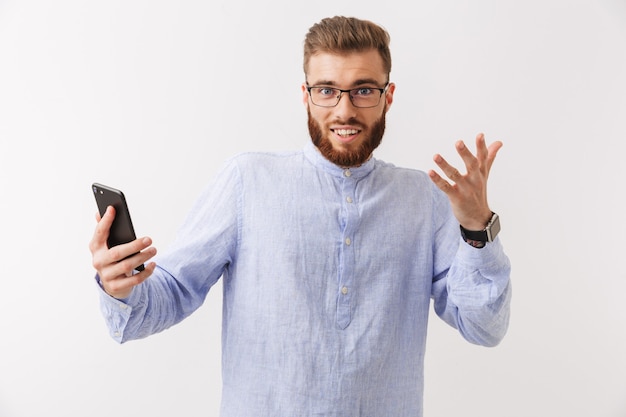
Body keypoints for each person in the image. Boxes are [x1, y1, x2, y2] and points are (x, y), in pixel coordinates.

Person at [90, 16, 511, 417]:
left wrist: (478, 228)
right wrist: (121, 286)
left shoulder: (424, 198)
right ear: (305, 94)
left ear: (389, 95)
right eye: (327, 90)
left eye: (363, 90)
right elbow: (169, 293)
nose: (344, 110)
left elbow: (484, 326)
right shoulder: (247, 181)